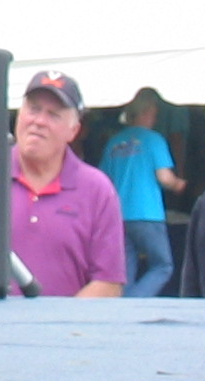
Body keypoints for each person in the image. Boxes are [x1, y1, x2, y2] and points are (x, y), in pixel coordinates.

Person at [11, 70, 126, 298]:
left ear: (74, 130)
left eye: (53, 114)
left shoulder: (97, 190)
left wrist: (58, 328)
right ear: (19, 115)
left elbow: (109, 283)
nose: (39, 121)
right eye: (33, 109)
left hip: (66, 331)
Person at [100, 88, 185, 297]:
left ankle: (123, 308)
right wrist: (179, 185)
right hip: (148, 214)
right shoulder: (154, 139)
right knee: (163, 266)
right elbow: (164, 177)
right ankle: (134, 303)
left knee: (125, 270)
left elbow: (103, 180)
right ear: (148, 112)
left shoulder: (114, 142)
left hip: (119, 215)